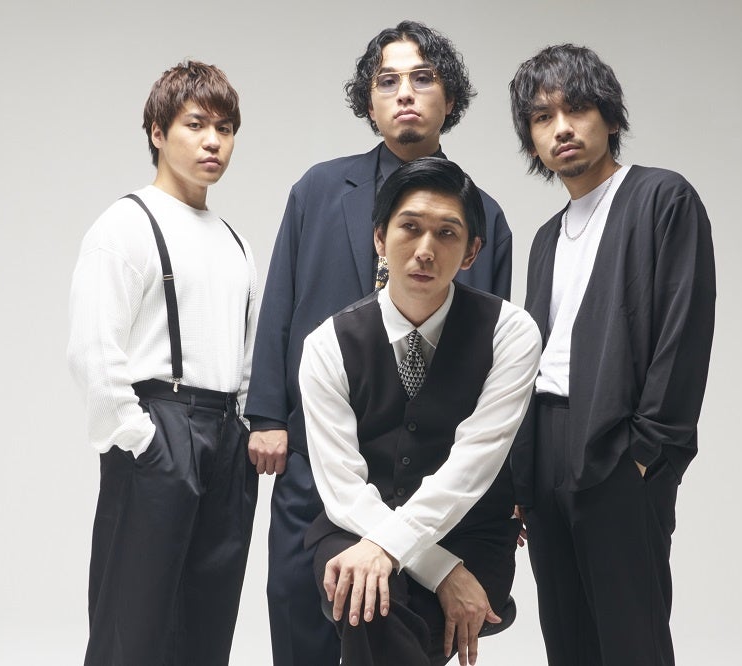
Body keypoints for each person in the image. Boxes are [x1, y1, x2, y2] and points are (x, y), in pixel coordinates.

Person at [246, 20, 513, 666]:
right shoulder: (318, 190)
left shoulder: (481, 218)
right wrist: (266, 415)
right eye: (388, 82)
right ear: (368, 102)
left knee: (392, 632)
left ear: (450, 98)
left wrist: (515, 487)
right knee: (299, 610)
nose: (405, 94)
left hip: (428, 470)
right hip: (319, 448)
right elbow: (280, 302)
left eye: (423, 79)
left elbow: (499, 362)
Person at [508, 44, 717, 665]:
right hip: (545, 445)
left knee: (631, 639)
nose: (561, 128)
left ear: (610, 116)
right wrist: (522, 470)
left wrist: (650, 451)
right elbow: (533, 357)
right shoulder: (546, 238)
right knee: (566, 637)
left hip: (618, 444)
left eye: (576, 109)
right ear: (531, 140)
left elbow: (683, 330)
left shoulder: (662, 198)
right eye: (542, 117)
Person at [299, 157, 539, 666]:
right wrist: (440, 570)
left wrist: (407, 552)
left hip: (470, 533)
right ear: (380, 239)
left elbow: (473, 465)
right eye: (410, 227)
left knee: (380, 622)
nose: (426, 250)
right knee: (366, 600)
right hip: (355, 524)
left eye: (447, 233)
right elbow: (342, 489)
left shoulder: (510, 333)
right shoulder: (327, 345)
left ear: (472, 251)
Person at [67, 60, 258, 666]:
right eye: (195, 124)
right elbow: (94, 351)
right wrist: (141, 440)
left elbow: (246, 356)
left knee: (208, 621)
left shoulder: (236, 241)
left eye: (225, 128)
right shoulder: (125, 225)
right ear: (157, 131)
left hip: (225, 435)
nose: (212, 141)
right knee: (134, 622)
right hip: (160, 427)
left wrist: (242, 430)